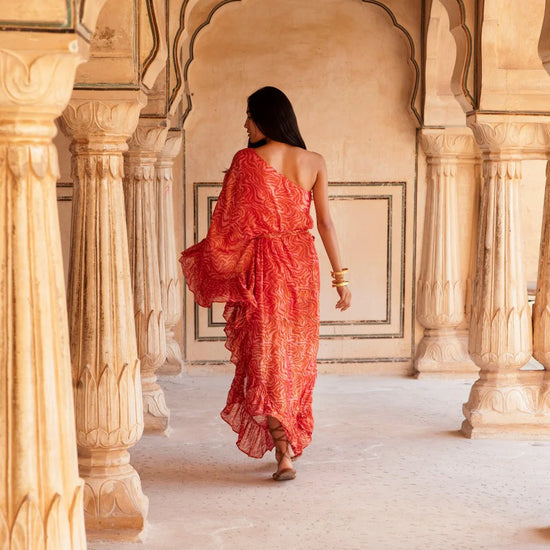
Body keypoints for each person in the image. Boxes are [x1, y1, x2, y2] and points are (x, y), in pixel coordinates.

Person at [180, 86, 351, 481]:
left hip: (265, 269)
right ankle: (284, 445)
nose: (245, 124)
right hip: (302, 268)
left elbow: (227, 224)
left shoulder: (246, 161)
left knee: (268, 358)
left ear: (266, 118)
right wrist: (341, 278)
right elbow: (325, 223)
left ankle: (283, 450)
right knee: (294, 357)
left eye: (249, 116)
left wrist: (214, 259)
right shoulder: (315, 161)